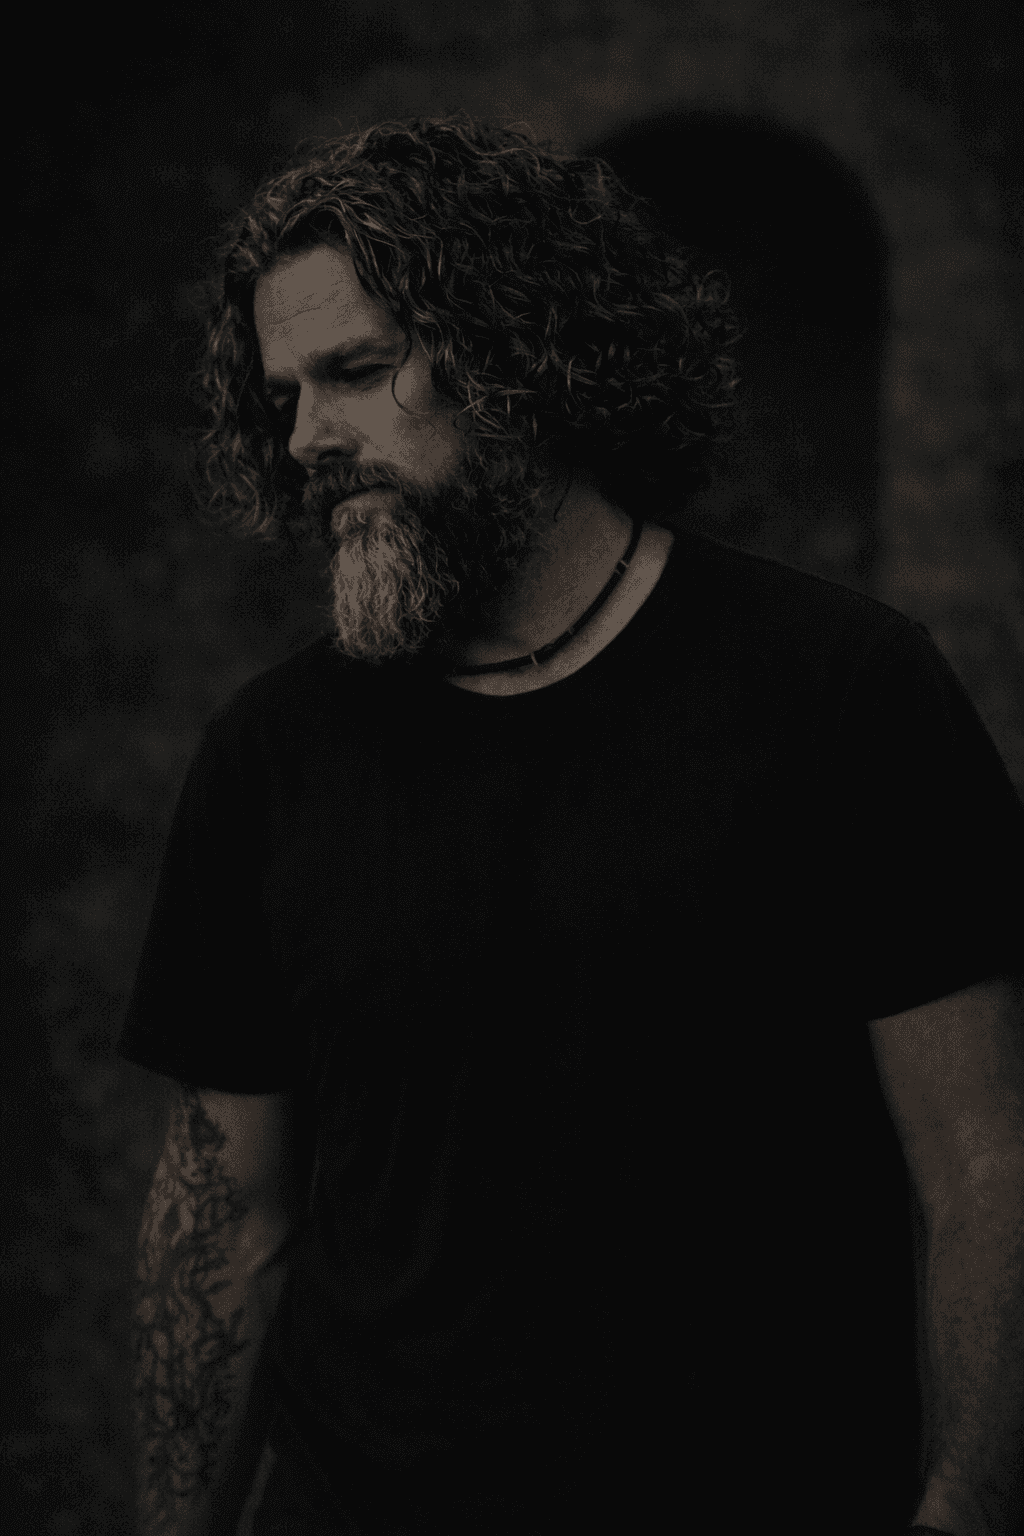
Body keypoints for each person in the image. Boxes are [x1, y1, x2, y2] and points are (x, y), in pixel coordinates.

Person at [116, 114, 1024, 1536]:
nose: (307, 439)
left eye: (353, 373)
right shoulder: (268, 758)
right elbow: (223, 1224)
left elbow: (986, 1167)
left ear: (517, 356)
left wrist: (963, 1512)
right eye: (285, 393)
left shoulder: (846, 692)